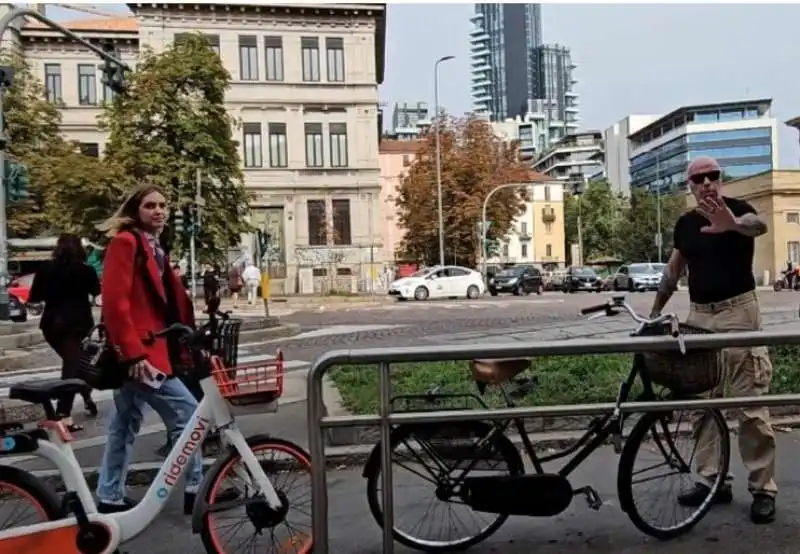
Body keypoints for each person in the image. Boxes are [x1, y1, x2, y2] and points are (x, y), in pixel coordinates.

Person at [649, 155, 776, 524]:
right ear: (689, 186)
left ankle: (763, 489)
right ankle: (712, 480)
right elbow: (673, 272)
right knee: (701, 402)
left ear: (721, 180)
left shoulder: (740, 211)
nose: (706, 183)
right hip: (700, 316)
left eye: (712, 176)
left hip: (739, 312)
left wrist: (732, 223)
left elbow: (760, 225)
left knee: (750, 404)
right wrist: (655, 312)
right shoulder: (686, 224)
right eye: (698, 179)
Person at [94, 184, 206, 515]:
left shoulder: (154, 246)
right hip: (141, 356)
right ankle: (195, 489)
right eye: (149, 205)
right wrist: (133, 354)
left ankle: (109, 494)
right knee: (190, 414)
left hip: (150, 349)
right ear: (134, 210)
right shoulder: (125, 242)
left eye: (162, 205)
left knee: (124, 423)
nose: (158, 211)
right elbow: (115, 304)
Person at [28, 234, 100, 430]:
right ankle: (63, 414)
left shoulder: (45, 268)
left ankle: (84, 396)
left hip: (52, 324)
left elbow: (35, 297)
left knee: (73, 365)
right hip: (77, 324)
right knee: (72, 367)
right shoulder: (86, 271)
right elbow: (96, 292)